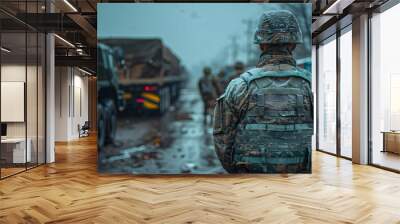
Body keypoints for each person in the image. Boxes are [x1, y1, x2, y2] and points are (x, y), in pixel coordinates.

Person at [213, 10, 313, 173]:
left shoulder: (239, 86)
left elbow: (223, 141)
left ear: (261, 44)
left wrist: (240, 172)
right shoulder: (312, 85)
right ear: (294, 44)